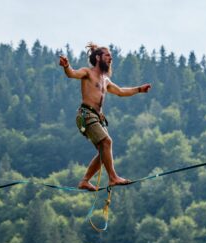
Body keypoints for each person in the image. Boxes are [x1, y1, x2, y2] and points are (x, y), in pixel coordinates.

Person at [59, 43, 151, 191]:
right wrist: (66, 66)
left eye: (111, 56)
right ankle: (113, 177)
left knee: (104, 152)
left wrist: (139, 89)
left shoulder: (105, 80)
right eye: (107, 55)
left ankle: (85, 181)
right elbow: (72, 73)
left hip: (96, 117)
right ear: (98, 57)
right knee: (107, 142)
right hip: (86, 114)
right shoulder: (87, 73)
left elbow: (121, 91)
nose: (111, 58)